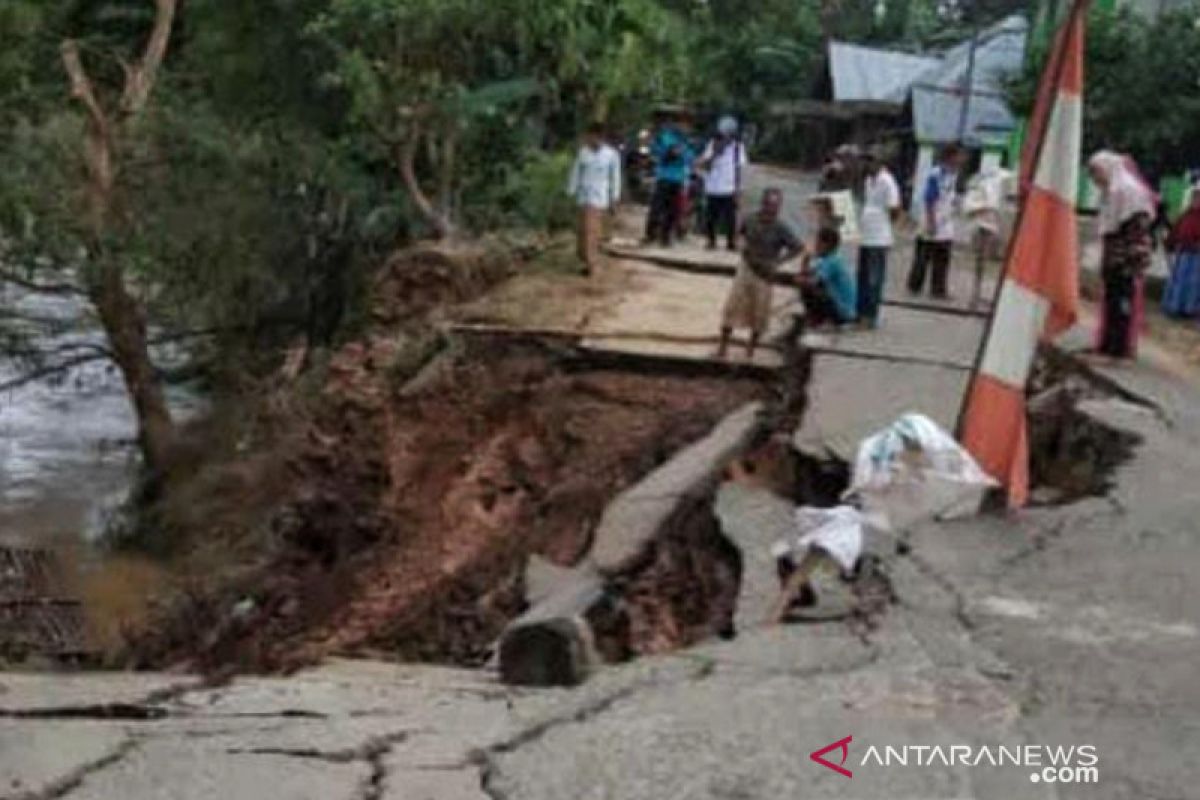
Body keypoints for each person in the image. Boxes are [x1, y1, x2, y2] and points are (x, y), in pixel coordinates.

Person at [718, 188, 804, 359]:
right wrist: (741, 244)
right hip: (747, 267)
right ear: (763, 204)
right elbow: (740, 233)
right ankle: (723, 346)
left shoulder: (781, 227)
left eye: (775, 206)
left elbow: (797, 247)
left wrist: (778, 262)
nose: (772, 209)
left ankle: (750, 349)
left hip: (765, 272)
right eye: (769, 205)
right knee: (733, 306)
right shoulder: (750, 218)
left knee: (760, 312)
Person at [1088, 150, 1156, 359]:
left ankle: (1118, 348)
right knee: (1112, 299)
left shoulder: (1126, 192)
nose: (1095, 178)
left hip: (1126, 257)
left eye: (1096, 172)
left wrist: (1126, 256)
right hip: (1116, 255)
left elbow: (1134, 230)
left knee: (1121, 301)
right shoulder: (1113, 191)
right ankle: (1107, 344)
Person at [907, 144, 965, 299]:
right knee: (923, 256)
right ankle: (914, 285)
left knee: (942, 257)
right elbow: (929, 199)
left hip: (945, 222)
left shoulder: (954, 174)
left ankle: (938, 289)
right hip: (931, 219)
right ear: (951, 156)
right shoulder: (936, 174)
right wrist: (931, 221)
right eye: (959, 156)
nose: (962, 159)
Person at [566, 123, 621, 276]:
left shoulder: (611, 155)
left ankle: (592, 264)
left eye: (596, 137)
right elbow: (575, 173)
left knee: (592, 230)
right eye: (590, 136)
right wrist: (570, 192)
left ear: (601, 137)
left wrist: (614, 198)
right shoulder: (583, 152)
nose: (592, 140)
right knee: (582, 231)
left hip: (599, 197)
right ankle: (585, 259)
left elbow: (615, 178)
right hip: (583, 195)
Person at [856, 149, 902, 326]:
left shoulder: (887, 181)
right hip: (866, 235)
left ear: (876, 163)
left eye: (868, 162)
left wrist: (884, 223)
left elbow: (894, 209)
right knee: (862, 276)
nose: (865, 166)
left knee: (874, 279)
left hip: (879, 237)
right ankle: (860, 312)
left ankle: (870, 316)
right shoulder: (869, 181)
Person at [643, 109, 693, 247]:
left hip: (678, 178)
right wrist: (669, 153)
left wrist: (682, 154)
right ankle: (650, 234)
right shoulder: (665, 136)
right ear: (677, 124)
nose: (685, 127)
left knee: (673, 210)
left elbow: (689, 158)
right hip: (664, 176)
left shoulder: (686, 141)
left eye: (687, 125)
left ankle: (665, 237)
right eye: (682, 124)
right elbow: (656, 151)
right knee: (657, 207)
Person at [698, 115, 748, 251]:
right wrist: (715, 153)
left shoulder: (738, 148)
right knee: (711, 216)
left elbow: (739, 168)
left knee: (729, 218)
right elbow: (702, 164)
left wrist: (739, 188)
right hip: (713, 186)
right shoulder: (712, 145)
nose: (726, 138)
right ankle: (711, 240)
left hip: (729, 187)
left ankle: (730, 242)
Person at [798, 227, 857, 328]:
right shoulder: (828, 259)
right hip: (843, 310)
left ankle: (823, 320)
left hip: (843, 313)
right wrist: (805, 261)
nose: (815, 246)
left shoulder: (833, 261)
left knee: (809, 288)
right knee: (806, 283)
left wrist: (797, 280)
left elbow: (813, 282)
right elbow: (807, 273)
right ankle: (817, 319)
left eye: (818, 243)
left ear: (827, 245)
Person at [1162, 182, 1200, 318]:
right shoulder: (1186, 214)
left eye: (1199, 197)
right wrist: (1169, 243)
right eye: (1194, 196)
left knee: (1194, 283)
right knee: (1178, 280)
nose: (1196, 199)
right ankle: (1174, 307)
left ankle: (1189, 310)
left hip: (1196, 255)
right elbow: (1177, 229)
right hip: (1183, 252)